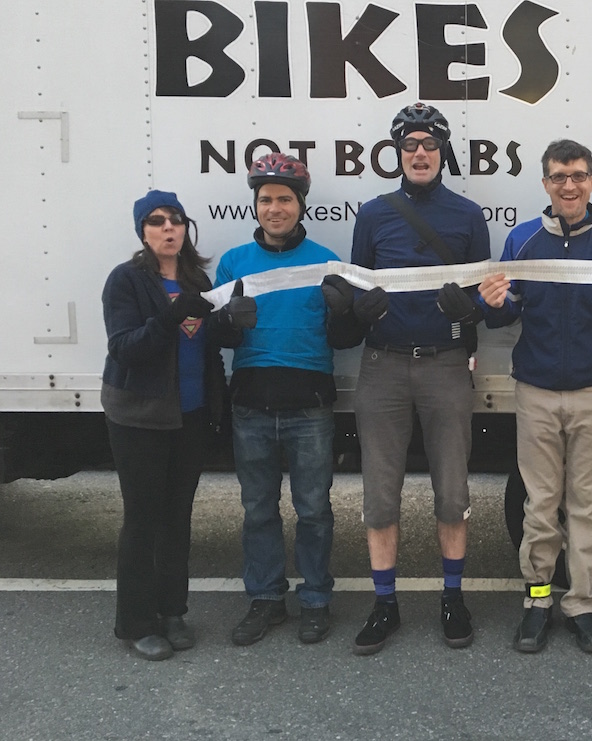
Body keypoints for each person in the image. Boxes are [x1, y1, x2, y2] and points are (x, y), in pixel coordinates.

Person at [478, 139, 592, 654]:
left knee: (588, 508)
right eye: (559, 176)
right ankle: (538, 602)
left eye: (578, 175)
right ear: (545, 183)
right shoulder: (522, 239)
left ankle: (582, 604)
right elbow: (500, 312)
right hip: (535, 392)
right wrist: (490, 303)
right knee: (540, 506)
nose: (569, 185)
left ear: (591, 181)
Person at [336, 102, 490, 655]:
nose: (419, 153)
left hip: (446, 364)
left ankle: (453, 597)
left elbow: (483, 297)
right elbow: (355, 288)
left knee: (452, 489)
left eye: (429, 144)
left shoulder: (469, 216)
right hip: (383, 365)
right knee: (380, 493)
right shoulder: (374, 214)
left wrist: (467, 307)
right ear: (397, 153)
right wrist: (360, 307)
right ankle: (385, 603)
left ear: (443, 152)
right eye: (410, 146)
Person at [215, 153, 365, 647]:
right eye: (265, 200)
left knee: (314, 509)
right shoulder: (234, 262)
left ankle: (316, 600)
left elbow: (342, 340)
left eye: (284, 199)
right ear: (254, 206)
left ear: (301, 206)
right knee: (258, 509)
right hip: (252, 405)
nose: (274, 208)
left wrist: (345, 314)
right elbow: (221, 338)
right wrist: (225, 323)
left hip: (309, 406)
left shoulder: (325, 263)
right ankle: (265, 599)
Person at [102, 190, 230, 660]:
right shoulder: (127, 281)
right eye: (156, 221)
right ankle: (136, 622)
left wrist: (229, 325)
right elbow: (125, 348)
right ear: (143, 231)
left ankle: (173, 610)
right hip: (140, 417)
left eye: (176, 220)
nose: (168, 228)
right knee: (143, 518)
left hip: (190, 416)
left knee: (178, 517)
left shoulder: (197, 278)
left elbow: (207, 346)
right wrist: (169, 317)